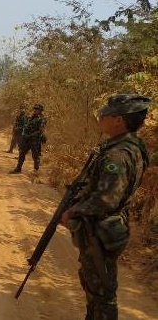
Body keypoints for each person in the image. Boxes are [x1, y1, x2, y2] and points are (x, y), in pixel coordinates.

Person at [60, 93, 151, 320]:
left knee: (101, 292)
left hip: (101, 230)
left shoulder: (118, 155)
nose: (100, 118)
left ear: (119, 120)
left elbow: (106, 199)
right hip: (104, 228)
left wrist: (73, 211)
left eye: (105, 115)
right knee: (95, 287)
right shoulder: (128, 146)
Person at [10, 103, 46, 173]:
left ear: (41, 110)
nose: (35, 110)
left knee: (35, 156)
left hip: (35, 140)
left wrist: (30, 135)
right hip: (27, 139)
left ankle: (36, 171)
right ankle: (18, 169)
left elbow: (40, 131)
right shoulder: (31, 117)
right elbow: (26, 127)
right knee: (22, 153)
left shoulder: (42, 119)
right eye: (34, 108)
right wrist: (24, 135)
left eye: (37, 109)